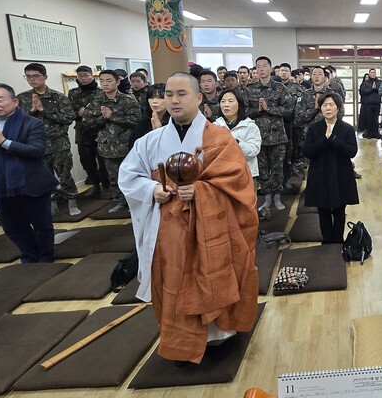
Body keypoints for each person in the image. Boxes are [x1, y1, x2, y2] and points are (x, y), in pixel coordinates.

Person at [120, 73, 258, 365]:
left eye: (181, 94)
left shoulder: (219, 138)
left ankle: (219, 333)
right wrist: (152, 188)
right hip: (167, 229)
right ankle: (181, 339)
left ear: (198, 98)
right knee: (174, 279)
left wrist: (201, 191)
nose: (173, 100)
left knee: (213, 274)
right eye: (169, 94)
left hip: (213, 226)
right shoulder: (150, 141)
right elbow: (129, 175)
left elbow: (239, 182)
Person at [0, 83, 60, 263]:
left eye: (0, 99)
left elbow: (36, 151)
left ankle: (46, 258)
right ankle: (28, 256)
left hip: (32, 183)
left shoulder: (32, 123)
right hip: (1, 186)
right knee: (12, 226)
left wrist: (3, 142)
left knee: (42, 225)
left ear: (15, 101)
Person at [17, 63, 79, 216]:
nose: (32, 79)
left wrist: (43, 111)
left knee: (65, 174)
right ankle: (52, 202)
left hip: (58, 143)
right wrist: (32, 111)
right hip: (35, 145)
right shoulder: (22, 98)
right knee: (44, 176)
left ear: (45, 77)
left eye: (36, 76)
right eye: (28, 76)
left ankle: (72, 201)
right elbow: (18, 121)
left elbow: (69, 118)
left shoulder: (58, 97)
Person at [303, 93, 359, 244]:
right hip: (320, 175)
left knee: (340, 210)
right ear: (320, 108)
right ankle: (327, 240)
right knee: (323, 210)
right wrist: (324, 139)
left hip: (341, 174)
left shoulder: (346, 128)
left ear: (338, 107)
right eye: (324, 105)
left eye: (331, 105)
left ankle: (338, 240)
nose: (328, 108)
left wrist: (333, 138)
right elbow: (308, 152)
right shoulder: (314, 129)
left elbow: (352, 151)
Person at [83, 70, 141, 213]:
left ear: (117, 82)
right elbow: (88, 124)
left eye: (109, 80)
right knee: (113, 177)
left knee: (132, 175)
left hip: (127, 145)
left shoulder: (128, 100)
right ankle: (119, 201)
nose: (105, 84)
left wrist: (112, 116)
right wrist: (103, 118)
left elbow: (136, 121)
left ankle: (135, 201)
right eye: (102, 81)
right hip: (107, 146)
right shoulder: (96, 102)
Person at [243, 56, 293, 212]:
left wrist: (268, 109)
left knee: (277, 168)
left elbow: (289, 110)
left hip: (277, 136)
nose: (261, 69)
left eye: (264, 66)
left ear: (270, 69)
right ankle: (267, 198)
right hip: (257, 138)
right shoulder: (250, 89)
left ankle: (277, 197)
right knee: (262, 169)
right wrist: (257, 110)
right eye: (258, 66)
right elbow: (244, 112)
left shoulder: (280, 88)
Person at [68, 66, 109, 197]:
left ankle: (107, 187)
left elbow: (105, 111)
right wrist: (78, 113)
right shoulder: (73, 93)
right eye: (80, 76)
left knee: (103, 162)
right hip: (82, 133)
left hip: (100, 131)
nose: (83, 78)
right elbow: (68, 113)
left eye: (86, 75)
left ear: (92, 75)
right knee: (87, 162)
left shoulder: (101, 92)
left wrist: (89, 112)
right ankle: (95, 186)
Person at [216, 88, 261, 188]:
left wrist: (234, 141)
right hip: (221, 174)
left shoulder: (250, 126)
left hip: (245, 174)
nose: (226, 104)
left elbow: (253, 151)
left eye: (230, 101)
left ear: (239, 105)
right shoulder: (215, 126)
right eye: (223, 101)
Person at [130, 82, 167, 147]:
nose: (154, 101)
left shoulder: (175, 120)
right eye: (151, 98)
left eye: (160, 98)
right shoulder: (144, 120)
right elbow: (134, 144)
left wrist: (159, 130)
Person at [358, 69, 381, 139]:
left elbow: (381, 91)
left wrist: (376, 88)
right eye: (371, 72)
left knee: (376, 118)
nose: (373, 74)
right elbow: (362, 92)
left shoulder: (379, 82)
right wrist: (371, 89)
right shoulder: (365, 83)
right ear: (369, 74)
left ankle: (376, 133)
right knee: (369, 118)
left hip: (377, 103)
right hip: (368, 104)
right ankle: (369, 133)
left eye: (374, 72)